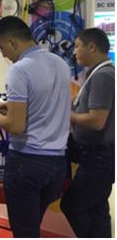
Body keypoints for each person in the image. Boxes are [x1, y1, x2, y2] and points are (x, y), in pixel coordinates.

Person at [0, 16, 71, 238]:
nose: (3, 54)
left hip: (27, 161)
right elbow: (47, 105)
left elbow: (16, 126)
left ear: (12, 42)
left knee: (24, 231)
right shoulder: (61, 64)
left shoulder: (20, 70)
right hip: (57, 163)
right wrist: (13, 107)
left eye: (1, 48)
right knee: (32, 227)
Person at [60, 28, 114, 238]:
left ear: (92, 47)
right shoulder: (96, 74)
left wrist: (68, 116)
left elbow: (96, 120)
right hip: (96, 156)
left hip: (99, 158)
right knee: (97, 210)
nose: (74, 52)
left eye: (77, 46)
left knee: (73, 205)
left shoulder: (103, 75)